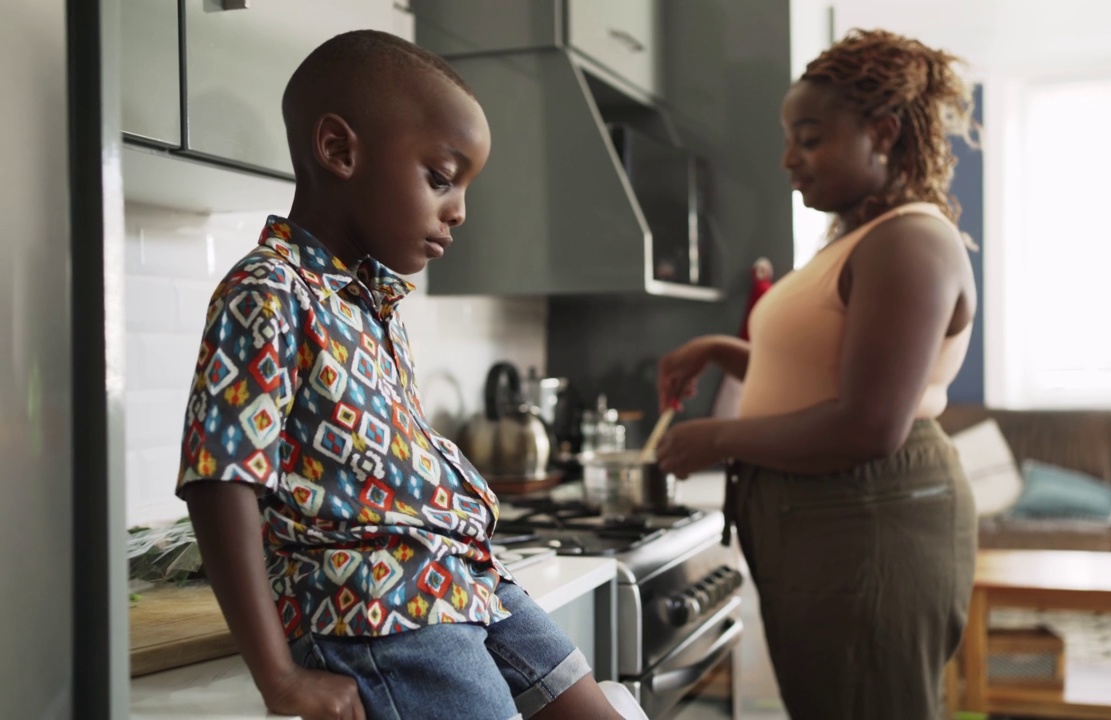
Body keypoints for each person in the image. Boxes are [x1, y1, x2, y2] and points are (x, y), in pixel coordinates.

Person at [175, 30, 626, 720]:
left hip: (466, 581)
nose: (460, 210)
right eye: (441, 178)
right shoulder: (268, 290)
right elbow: (220, 481)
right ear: (339, 151)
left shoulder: (374, 303)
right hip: (378, 609)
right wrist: (281, 679)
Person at [655, 28, 980, 720]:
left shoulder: (911, 244)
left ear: (883, 133)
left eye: (809, 138)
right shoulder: (863, 237)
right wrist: (720, 348)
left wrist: (716, 439)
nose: (789, 160)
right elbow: (818, 378)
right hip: (831, 517)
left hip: (867, 517)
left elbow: (868, 424)